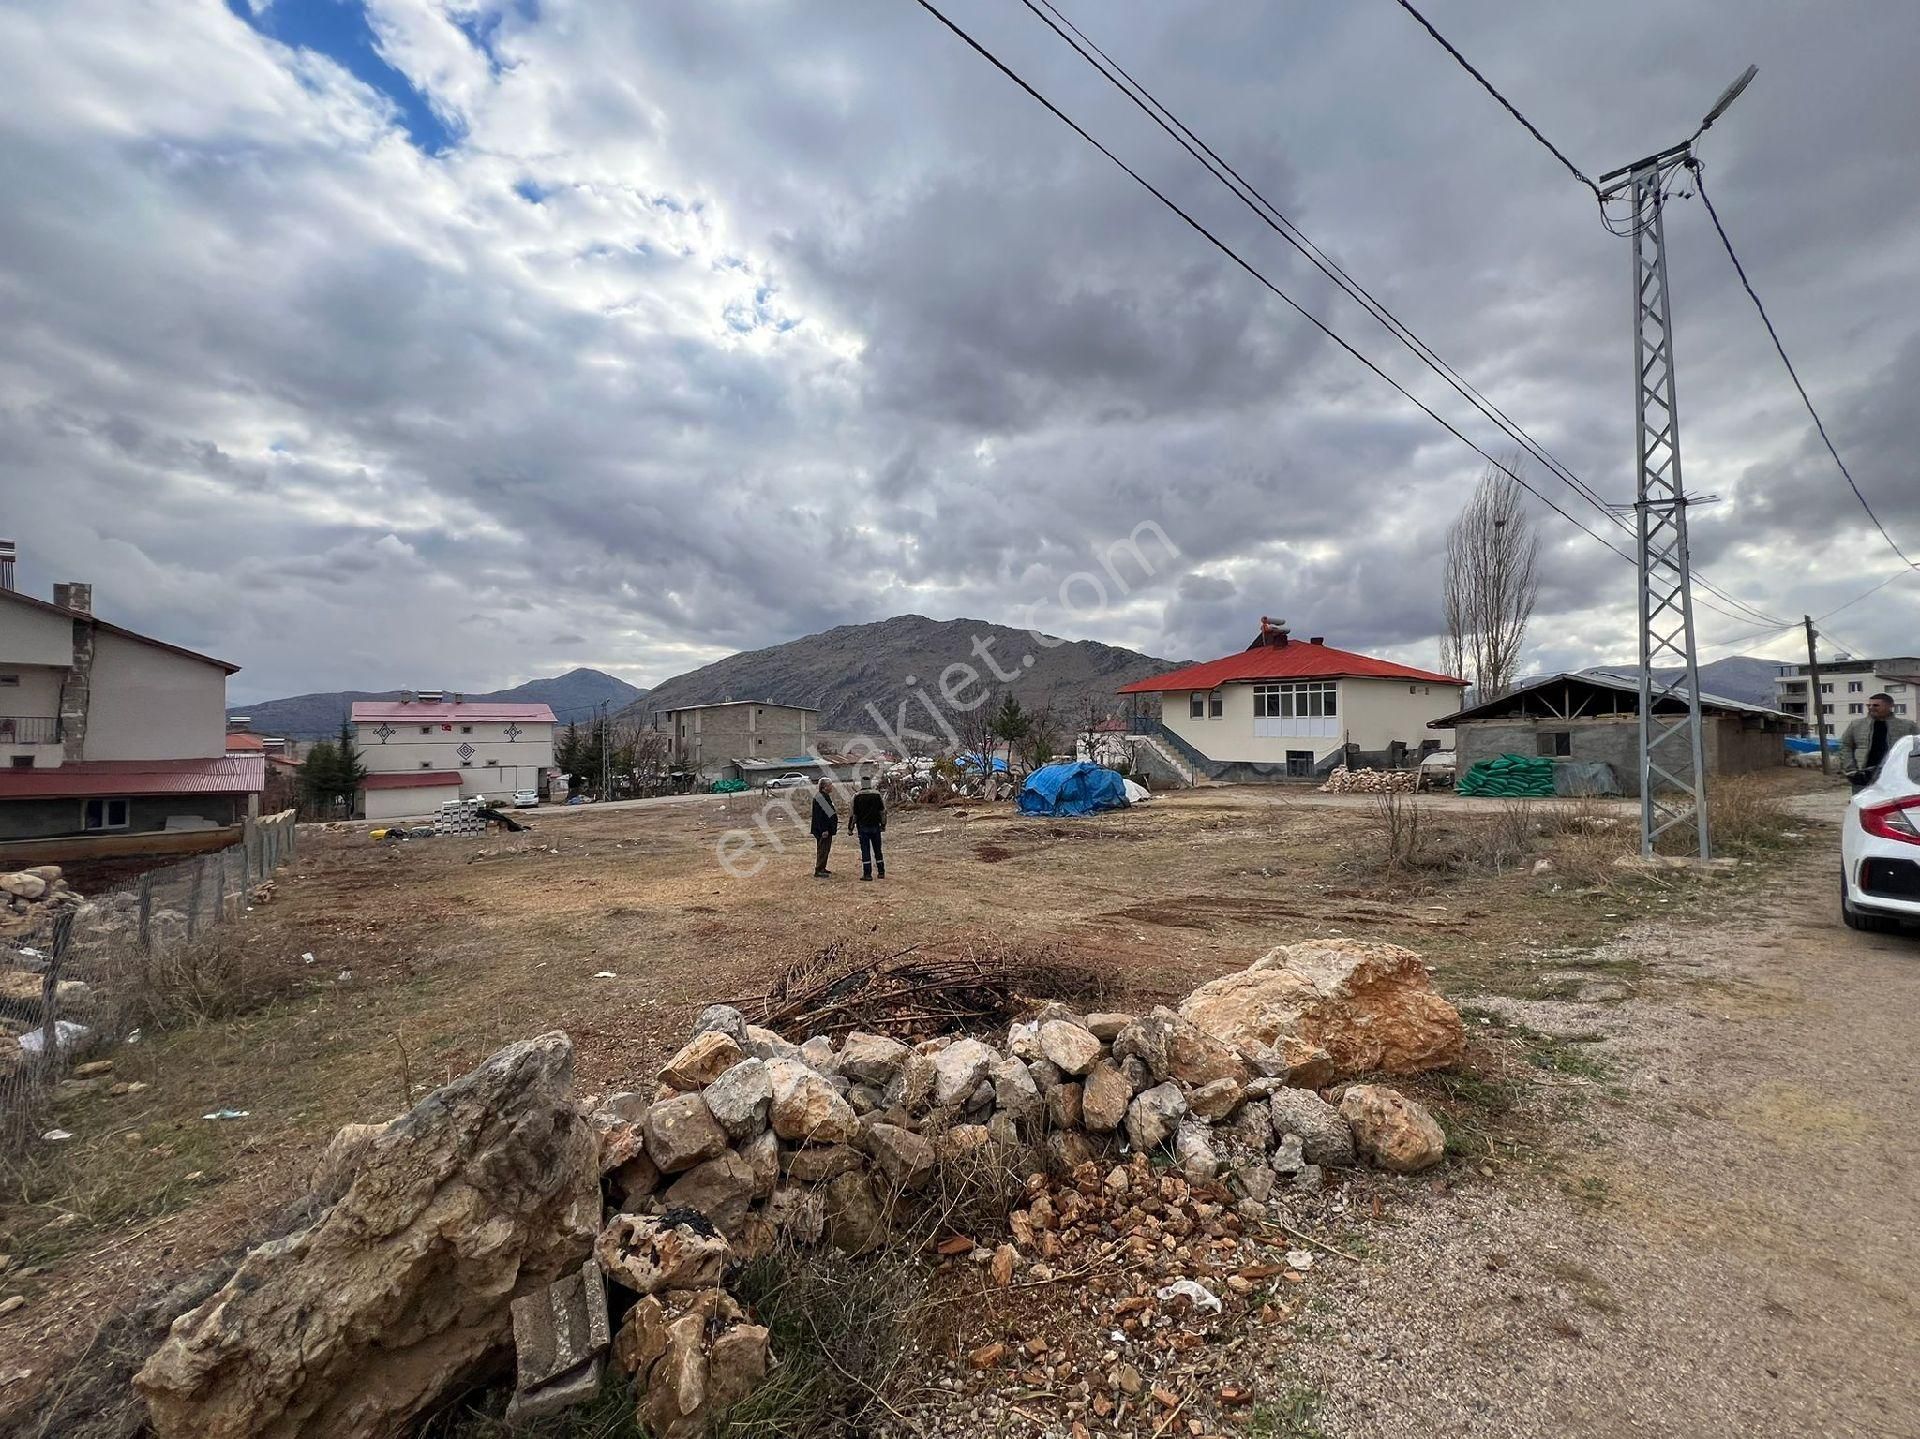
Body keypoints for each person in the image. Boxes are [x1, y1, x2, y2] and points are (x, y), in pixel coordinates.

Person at [1837, 692, 1918, 788]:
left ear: (1890, 706)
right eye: (1869, 705)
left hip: (1896, 776)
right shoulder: (1856, 725)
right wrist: (1851, 770)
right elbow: (1845, 745)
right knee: (1863, 802)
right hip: (1863, 776)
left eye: (1876, 705)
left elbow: (1917, 747)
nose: (1871, 708)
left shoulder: (1907, 726)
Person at [852, 775, 887, 881]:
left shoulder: (857, 796)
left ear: (862, 784)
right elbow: (883, 812)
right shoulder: (877, 795)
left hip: (863, 827)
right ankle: (881, 872)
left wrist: (850, 828)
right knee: (878, 850)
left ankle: (867, 874)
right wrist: (883, 824)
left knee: (865, 850)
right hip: (875, 826)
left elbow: (853, 814)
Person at [809, 781, 839, 877]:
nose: (832, 787)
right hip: (823, 829)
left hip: (827, 828)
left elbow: (829, 813)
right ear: (824, 786)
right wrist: (824, 829)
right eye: (830, 785)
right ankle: (819, 869)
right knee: (822, 848)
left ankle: (823, 867)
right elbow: (821, 816)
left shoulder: (825, 797)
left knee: (826, 849)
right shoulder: (821, 798)